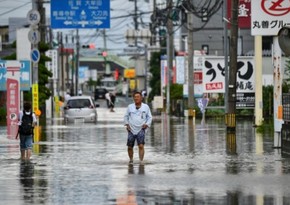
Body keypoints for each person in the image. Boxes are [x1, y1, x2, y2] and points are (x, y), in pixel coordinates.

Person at [124, 91, 152, 165]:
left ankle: (141, 161)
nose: (136, 98)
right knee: (130, 146)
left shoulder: (146, 107)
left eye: (138, 97)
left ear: (141, 98)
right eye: (135, 97)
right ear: (133, 98)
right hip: (131, 129)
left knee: (141, 145)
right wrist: (127, 125)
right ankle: (131, 160)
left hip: (141, 129)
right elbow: (126, 116)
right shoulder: (130, 107)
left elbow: (149, 117)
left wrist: (147, 124)